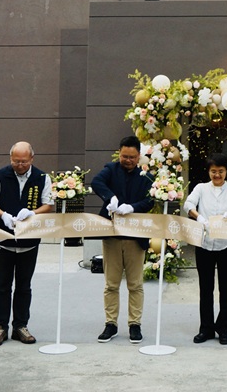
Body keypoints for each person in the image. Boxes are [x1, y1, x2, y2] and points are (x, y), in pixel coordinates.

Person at [0, 141, 54, 347]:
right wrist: (2, 214)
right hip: (3, 240)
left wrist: (33, 213)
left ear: (32, 158)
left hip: (29, 241)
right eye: (15, 161)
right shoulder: (0, 174)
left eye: (23, 161)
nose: (19, 165)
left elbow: (48, 204)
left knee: (24, 286)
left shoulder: (42, 177)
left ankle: (21, 326)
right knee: (2, 286)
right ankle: (0, 327)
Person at [91, 135, 154, 343]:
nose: (128, 160)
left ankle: (134, 324)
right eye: (124, 156)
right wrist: (110, 198)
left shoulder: (146, 176)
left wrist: (133, 207)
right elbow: (96, 182)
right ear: (119, 153)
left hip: (136, 236)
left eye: (132, 157)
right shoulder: (110, 169)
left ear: (139, 156)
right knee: (111, 284)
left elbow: (150, 200)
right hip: (112, 234)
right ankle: (111, 324)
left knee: (135, 284)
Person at [183, 153, 227, 345]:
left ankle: (224, 329)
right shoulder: (201, 188)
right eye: (213, 171)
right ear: (208, 172)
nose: (217, 175)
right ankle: (206, 329)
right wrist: (198, 217)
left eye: (220, 171)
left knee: (226, 289)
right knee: (206, 289)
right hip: (204, 244)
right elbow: (188, 204)